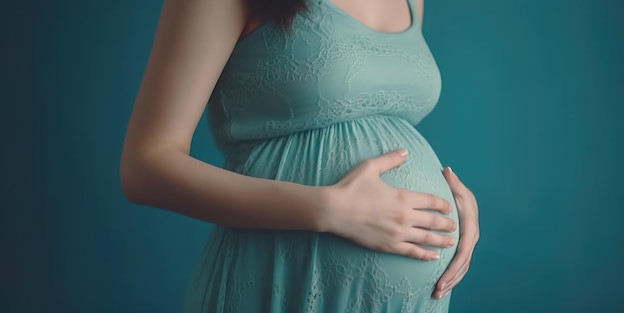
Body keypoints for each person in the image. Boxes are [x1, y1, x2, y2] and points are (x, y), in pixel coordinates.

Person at [120, 0, 480, 311]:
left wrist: (451, 206)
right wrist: (331, 210)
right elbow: (145, 166)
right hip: (282, 277)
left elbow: (382, 117)